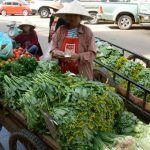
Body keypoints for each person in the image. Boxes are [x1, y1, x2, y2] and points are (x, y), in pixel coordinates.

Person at [51, 1, 96, 80]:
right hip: (62, 74)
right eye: (70, 15)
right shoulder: (61, 30)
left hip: (82, 75)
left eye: (75, 16)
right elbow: (53, 49)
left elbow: (92, 53)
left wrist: (79, 56)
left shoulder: (87, 32)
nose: (72, 18)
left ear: (81, 17)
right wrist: (61, 54)